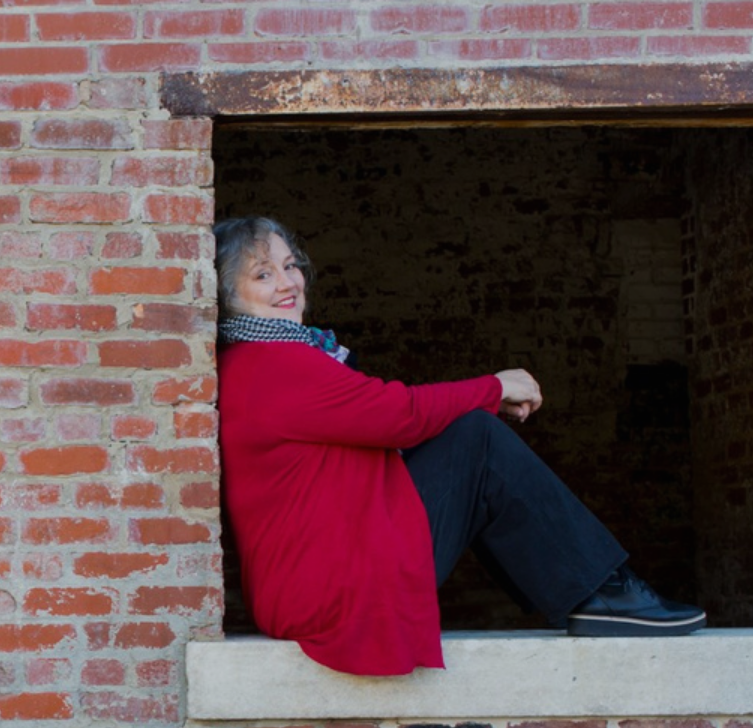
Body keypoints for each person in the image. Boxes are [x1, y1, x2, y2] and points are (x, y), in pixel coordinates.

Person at [214, 216, 704, 677]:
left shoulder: (261, 359)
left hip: (315, 580)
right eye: (263, 274)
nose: (287, 283)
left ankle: (597, 592)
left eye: (290, 265)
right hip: (331, 589)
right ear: (228, 296)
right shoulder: (272, 364)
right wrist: (495, 386)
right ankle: (605, 591)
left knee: (466, 438)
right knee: (477, 439)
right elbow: (399, 415)